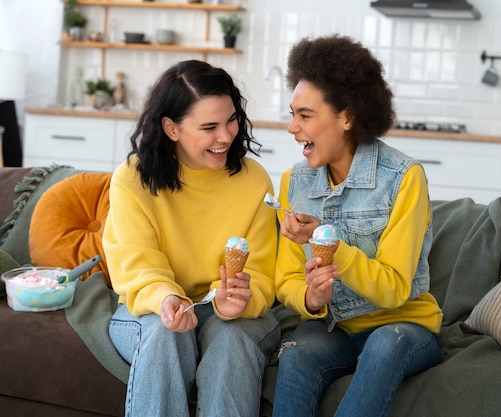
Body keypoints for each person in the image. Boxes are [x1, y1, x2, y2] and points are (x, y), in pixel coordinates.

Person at [273, 35, 443, 417]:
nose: (292, 128)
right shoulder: (294, 183)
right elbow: (285, 278)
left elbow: (395, 288)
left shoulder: (403, 177)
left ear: (347, 117)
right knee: (297, 356)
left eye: (304, 115)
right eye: (292, 114)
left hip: (403, 326)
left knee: (385, 345)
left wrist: (329, 247)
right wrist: (310, 300)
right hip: (335, 328)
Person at [102, 60, 280, 417]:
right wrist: (165, 296)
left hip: (230, 313)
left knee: (231, 341)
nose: (227, 136)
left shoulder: (254, 180)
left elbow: (260, 271)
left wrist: (242, 298)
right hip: (153, 305)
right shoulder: (131, 179)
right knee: (166, 334)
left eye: (231, 120)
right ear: (171, 128)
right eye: (209, 127)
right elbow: (135, 260)